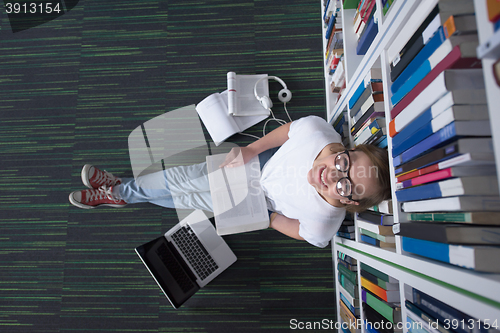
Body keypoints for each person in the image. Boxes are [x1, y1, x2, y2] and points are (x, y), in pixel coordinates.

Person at [69, 115, 391, 248]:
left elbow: (300, 231)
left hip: (258, 204)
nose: (333, 174)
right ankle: (119, 191)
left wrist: (267, 219)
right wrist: (251, 149)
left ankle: (120, 192)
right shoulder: (318, 131)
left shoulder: (325, 224)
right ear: (347, 150)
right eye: (344, 163)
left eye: (346, 185)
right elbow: (289, 130)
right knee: (181, 179)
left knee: (189, 198)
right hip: (258, 165)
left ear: (351, 203)